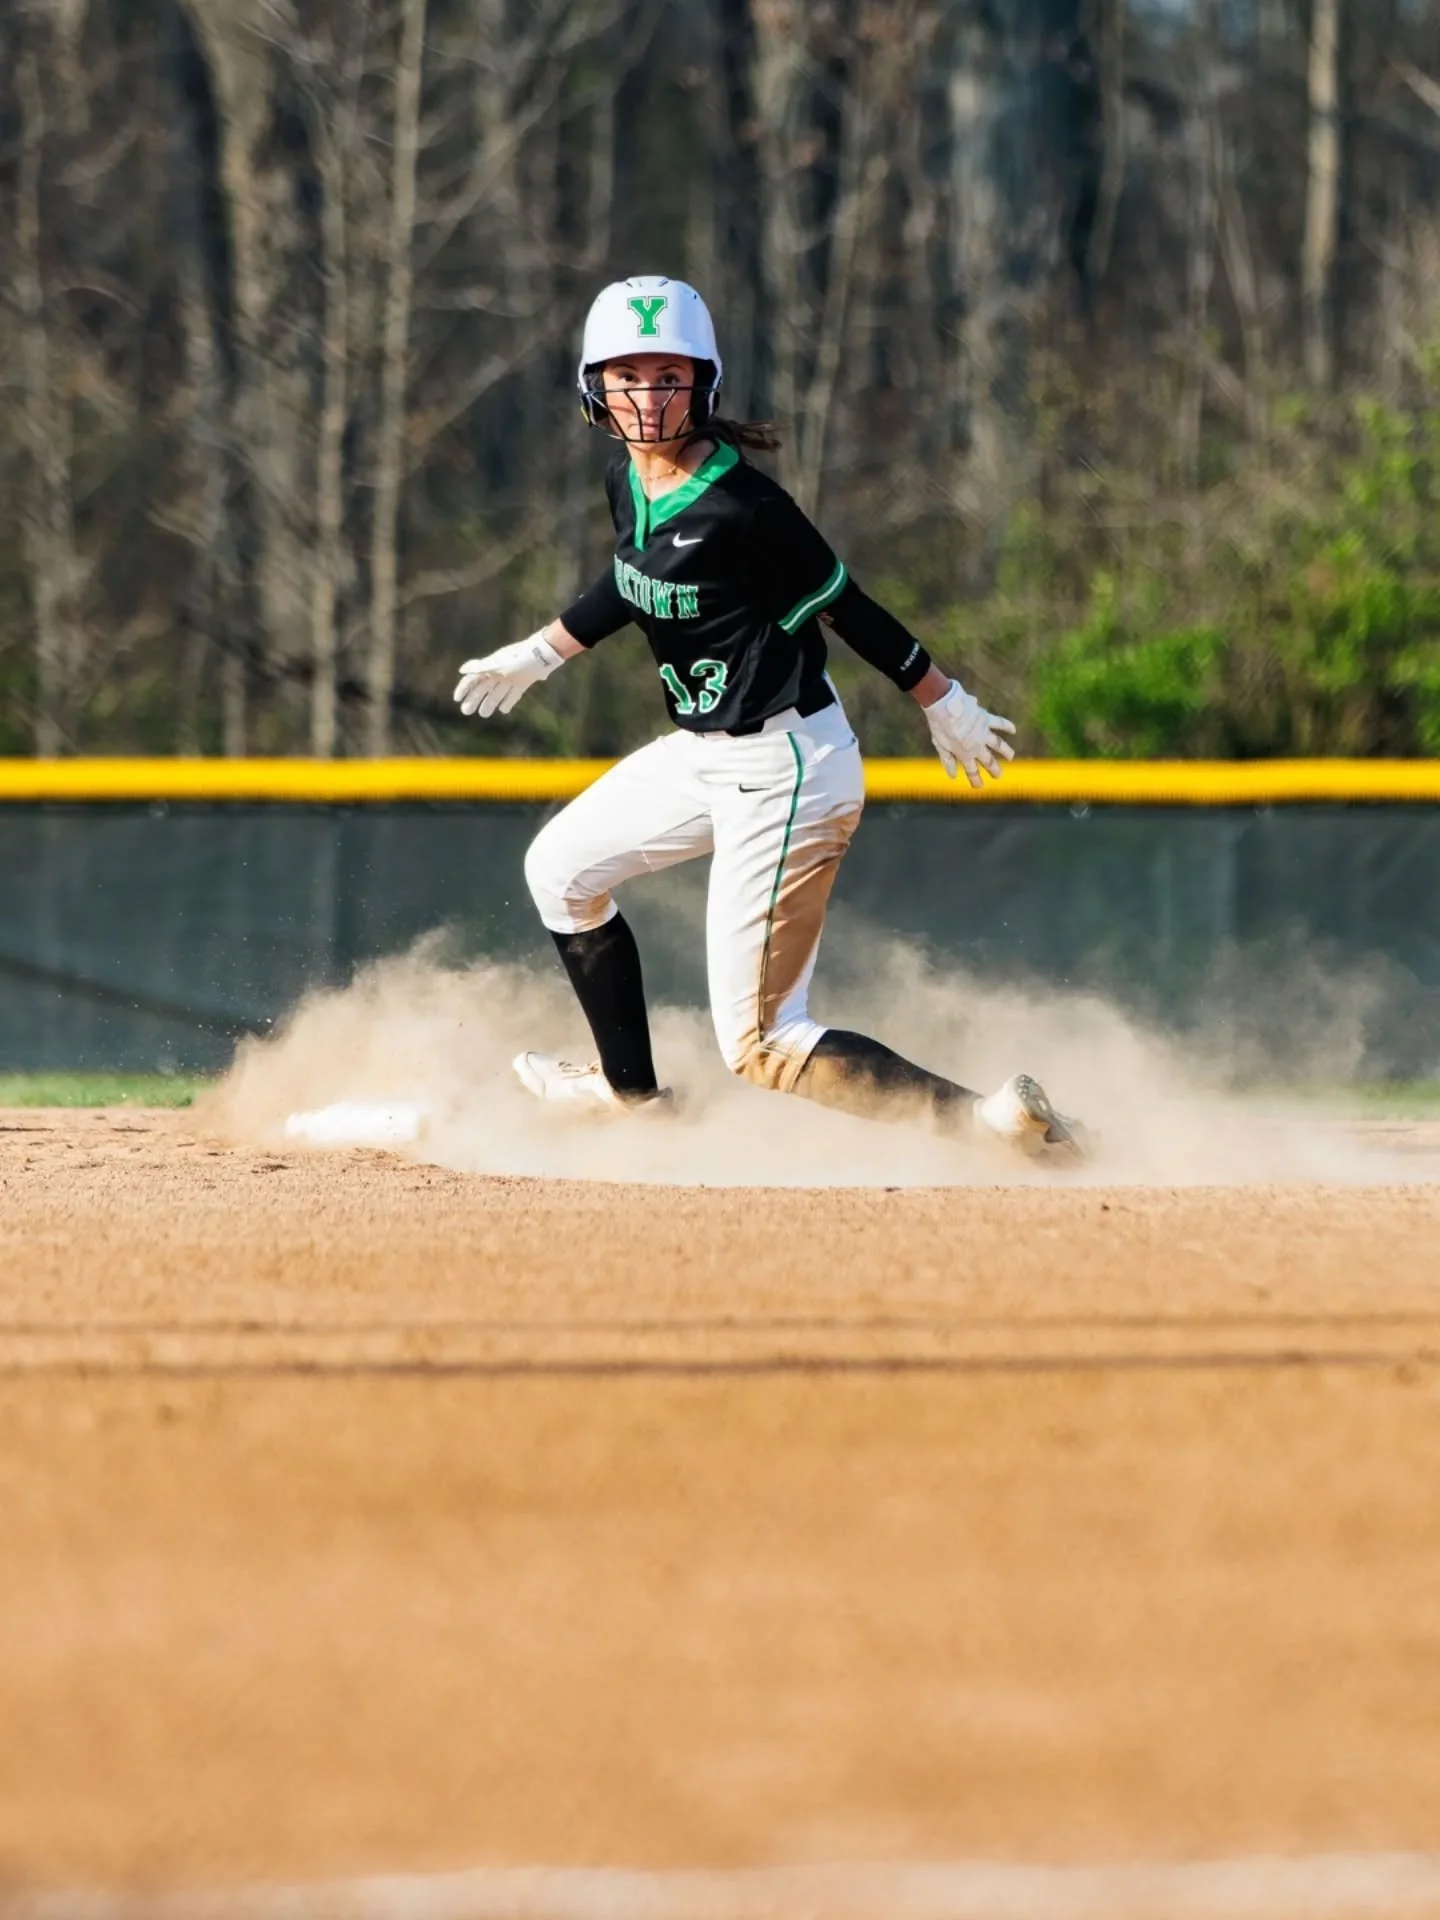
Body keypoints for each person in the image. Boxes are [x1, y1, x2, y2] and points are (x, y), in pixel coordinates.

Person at [455, 275, 1085, 1163]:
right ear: (594, 386)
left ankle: (991, 1125)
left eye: (668, 375)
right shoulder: (626, 483)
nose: (647, 395)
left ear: (704, 384)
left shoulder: (748, 508)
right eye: (627, 375)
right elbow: (633, 582)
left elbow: (848, 606)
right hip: (705, 754)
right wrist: (541, 651)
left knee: (761, 1043)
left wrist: (942, 701)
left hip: (789, 768)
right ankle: (631, 1095)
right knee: (560, 870)